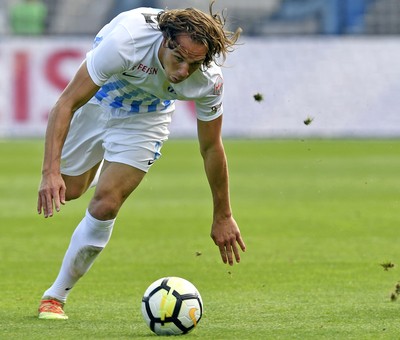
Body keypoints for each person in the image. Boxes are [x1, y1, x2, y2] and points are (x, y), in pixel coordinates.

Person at [36, 1, 246, 320]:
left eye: (193, 64)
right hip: (99, 101)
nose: (182, 73)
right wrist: (50, 172)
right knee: (72, 189)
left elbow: (211, 147)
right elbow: (64, 104)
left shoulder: (208, 80)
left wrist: (223, 214)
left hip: (146, 118)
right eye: (178, 59)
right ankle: (99, 169)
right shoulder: (126, 41)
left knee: (106, 204)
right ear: (165, 41)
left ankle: (55, 296)